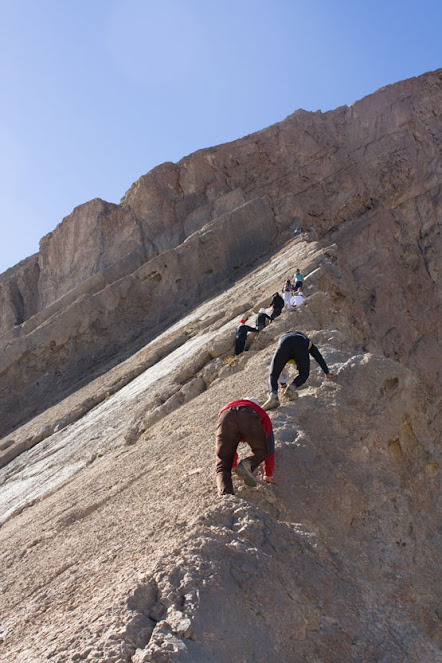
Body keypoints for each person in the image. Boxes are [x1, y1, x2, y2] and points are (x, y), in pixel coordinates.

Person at [215, 397, 276, 495]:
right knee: (261, 450)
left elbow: (230, 448)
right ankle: (247, 464)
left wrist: (233, 465)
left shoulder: (229, 405)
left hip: (225, 415)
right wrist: (268, 474)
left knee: (223, 464)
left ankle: (225, 494)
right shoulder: (259, 411)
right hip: (248, 414)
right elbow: (270, 446)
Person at [262, 331, 335, 410]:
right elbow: (318, 356)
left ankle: (273, 396)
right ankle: (291, 389)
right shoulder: (306, 341)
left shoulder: (284, 338)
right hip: (301, 344)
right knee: (304, 373)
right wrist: (326, 372)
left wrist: (283, 384)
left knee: (273, 374)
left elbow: (279, 370)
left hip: (284, 342)